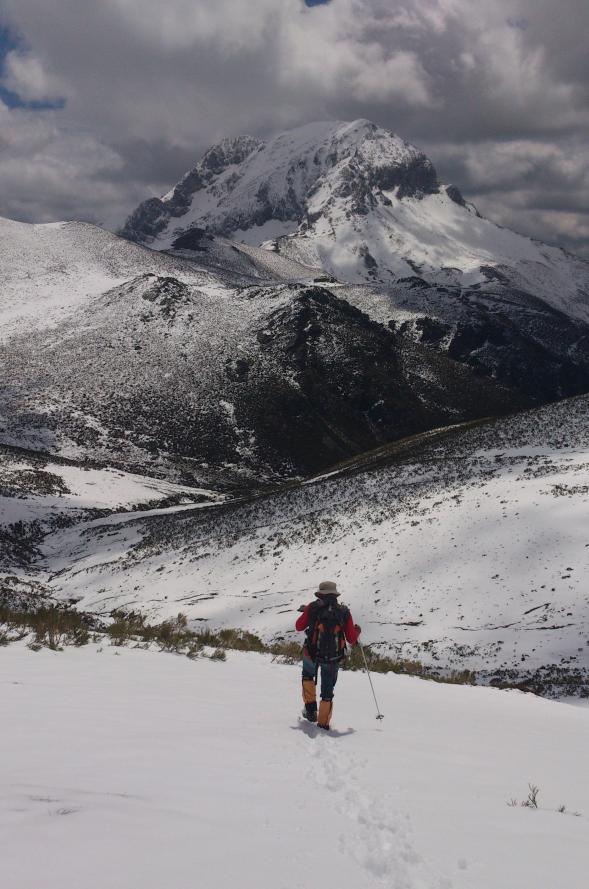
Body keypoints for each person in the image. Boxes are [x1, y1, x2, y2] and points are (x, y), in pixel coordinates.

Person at [295, 580, 361, 730]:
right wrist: (357, 631)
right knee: (327, 691)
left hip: (311, 652)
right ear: (335, 595)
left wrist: (307, 613)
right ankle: (323, 723)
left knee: (308, 677)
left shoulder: (312, 607)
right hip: (333, 657)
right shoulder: (344, 611)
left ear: (320, 594)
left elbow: (298, 626)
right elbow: (351, 638)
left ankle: (310, 710)